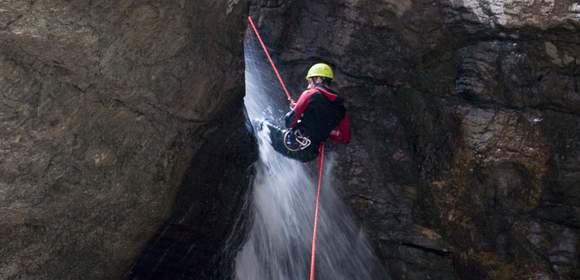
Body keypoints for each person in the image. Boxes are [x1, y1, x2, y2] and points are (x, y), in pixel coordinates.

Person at [258, 63, 351, 162]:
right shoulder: (340, 108)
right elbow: (344, 138)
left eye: (310, 82)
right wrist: (324, 131)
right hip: (310, 155)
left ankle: (259, 161)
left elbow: (289, 122)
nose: (308, 86)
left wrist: (295, 111)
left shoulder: (310, 94)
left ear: (318, 79)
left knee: (260, 124)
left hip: (292, 145)